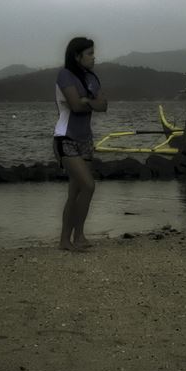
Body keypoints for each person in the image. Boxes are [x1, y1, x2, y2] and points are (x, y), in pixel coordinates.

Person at [53, 37, 108, 252]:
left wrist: (87, 102)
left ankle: (71, 239)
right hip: (65, 138)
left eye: (93, 53)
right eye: (90, 54)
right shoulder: (65, 75)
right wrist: (86, 102)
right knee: (88, 185)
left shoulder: (92, 78)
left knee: (75, 193)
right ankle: (72, 239)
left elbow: (103, 105)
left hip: (85, 140)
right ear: (77, 56)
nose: (94, 57)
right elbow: (75, 106)